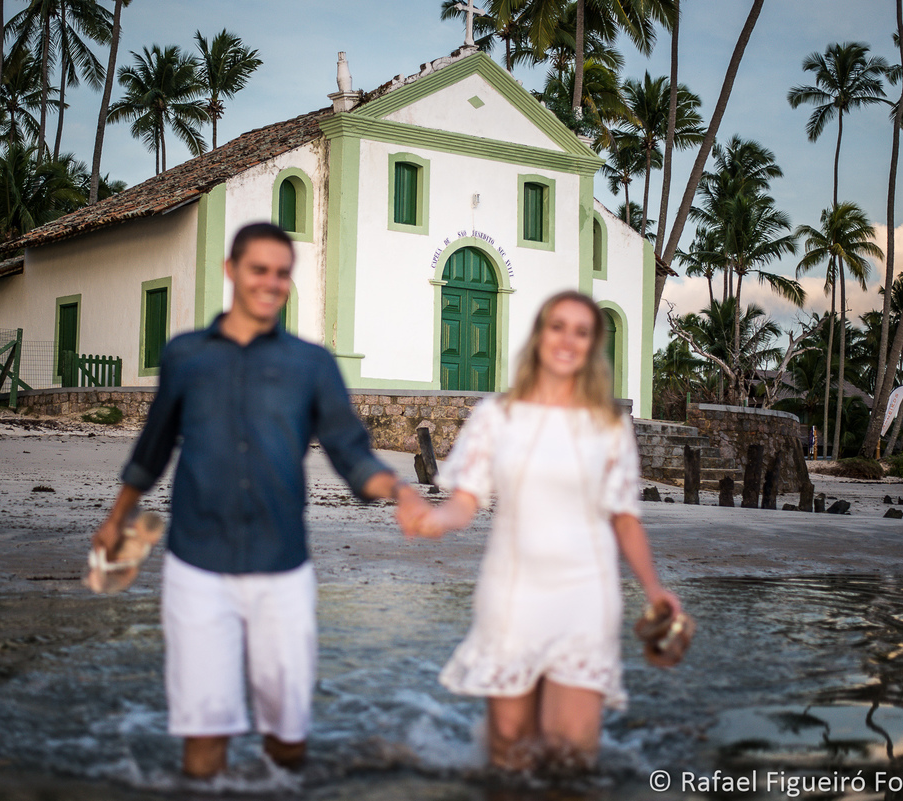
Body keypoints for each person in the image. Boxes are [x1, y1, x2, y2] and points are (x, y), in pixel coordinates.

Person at [93, 222, 421, 778]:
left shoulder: (312, 365)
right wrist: (116, 520)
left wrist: (399, 490)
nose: (271, 283)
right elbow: (151, 451)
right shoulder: (185, 356)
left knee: (288, 740)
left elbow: (352, 454)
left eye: (283, 273)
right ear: (231, 271)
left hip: (282, 570)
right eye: (259, 270)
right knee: (203, 742)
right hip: (196, 565)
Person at [398, 290, 683, 772]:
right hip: (512, 595)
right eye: (558, 326)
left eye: (582, 331)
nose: (568, 340)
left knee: (570, 757)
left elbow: (624, 517)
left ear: (593, 346)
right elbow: (464, 502)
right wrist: (434, 520)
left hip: (585, 597)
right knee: (509, 757)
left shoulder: (609, 427)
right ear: (538, 335)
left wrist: (654, 589)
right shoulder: (497, 416)